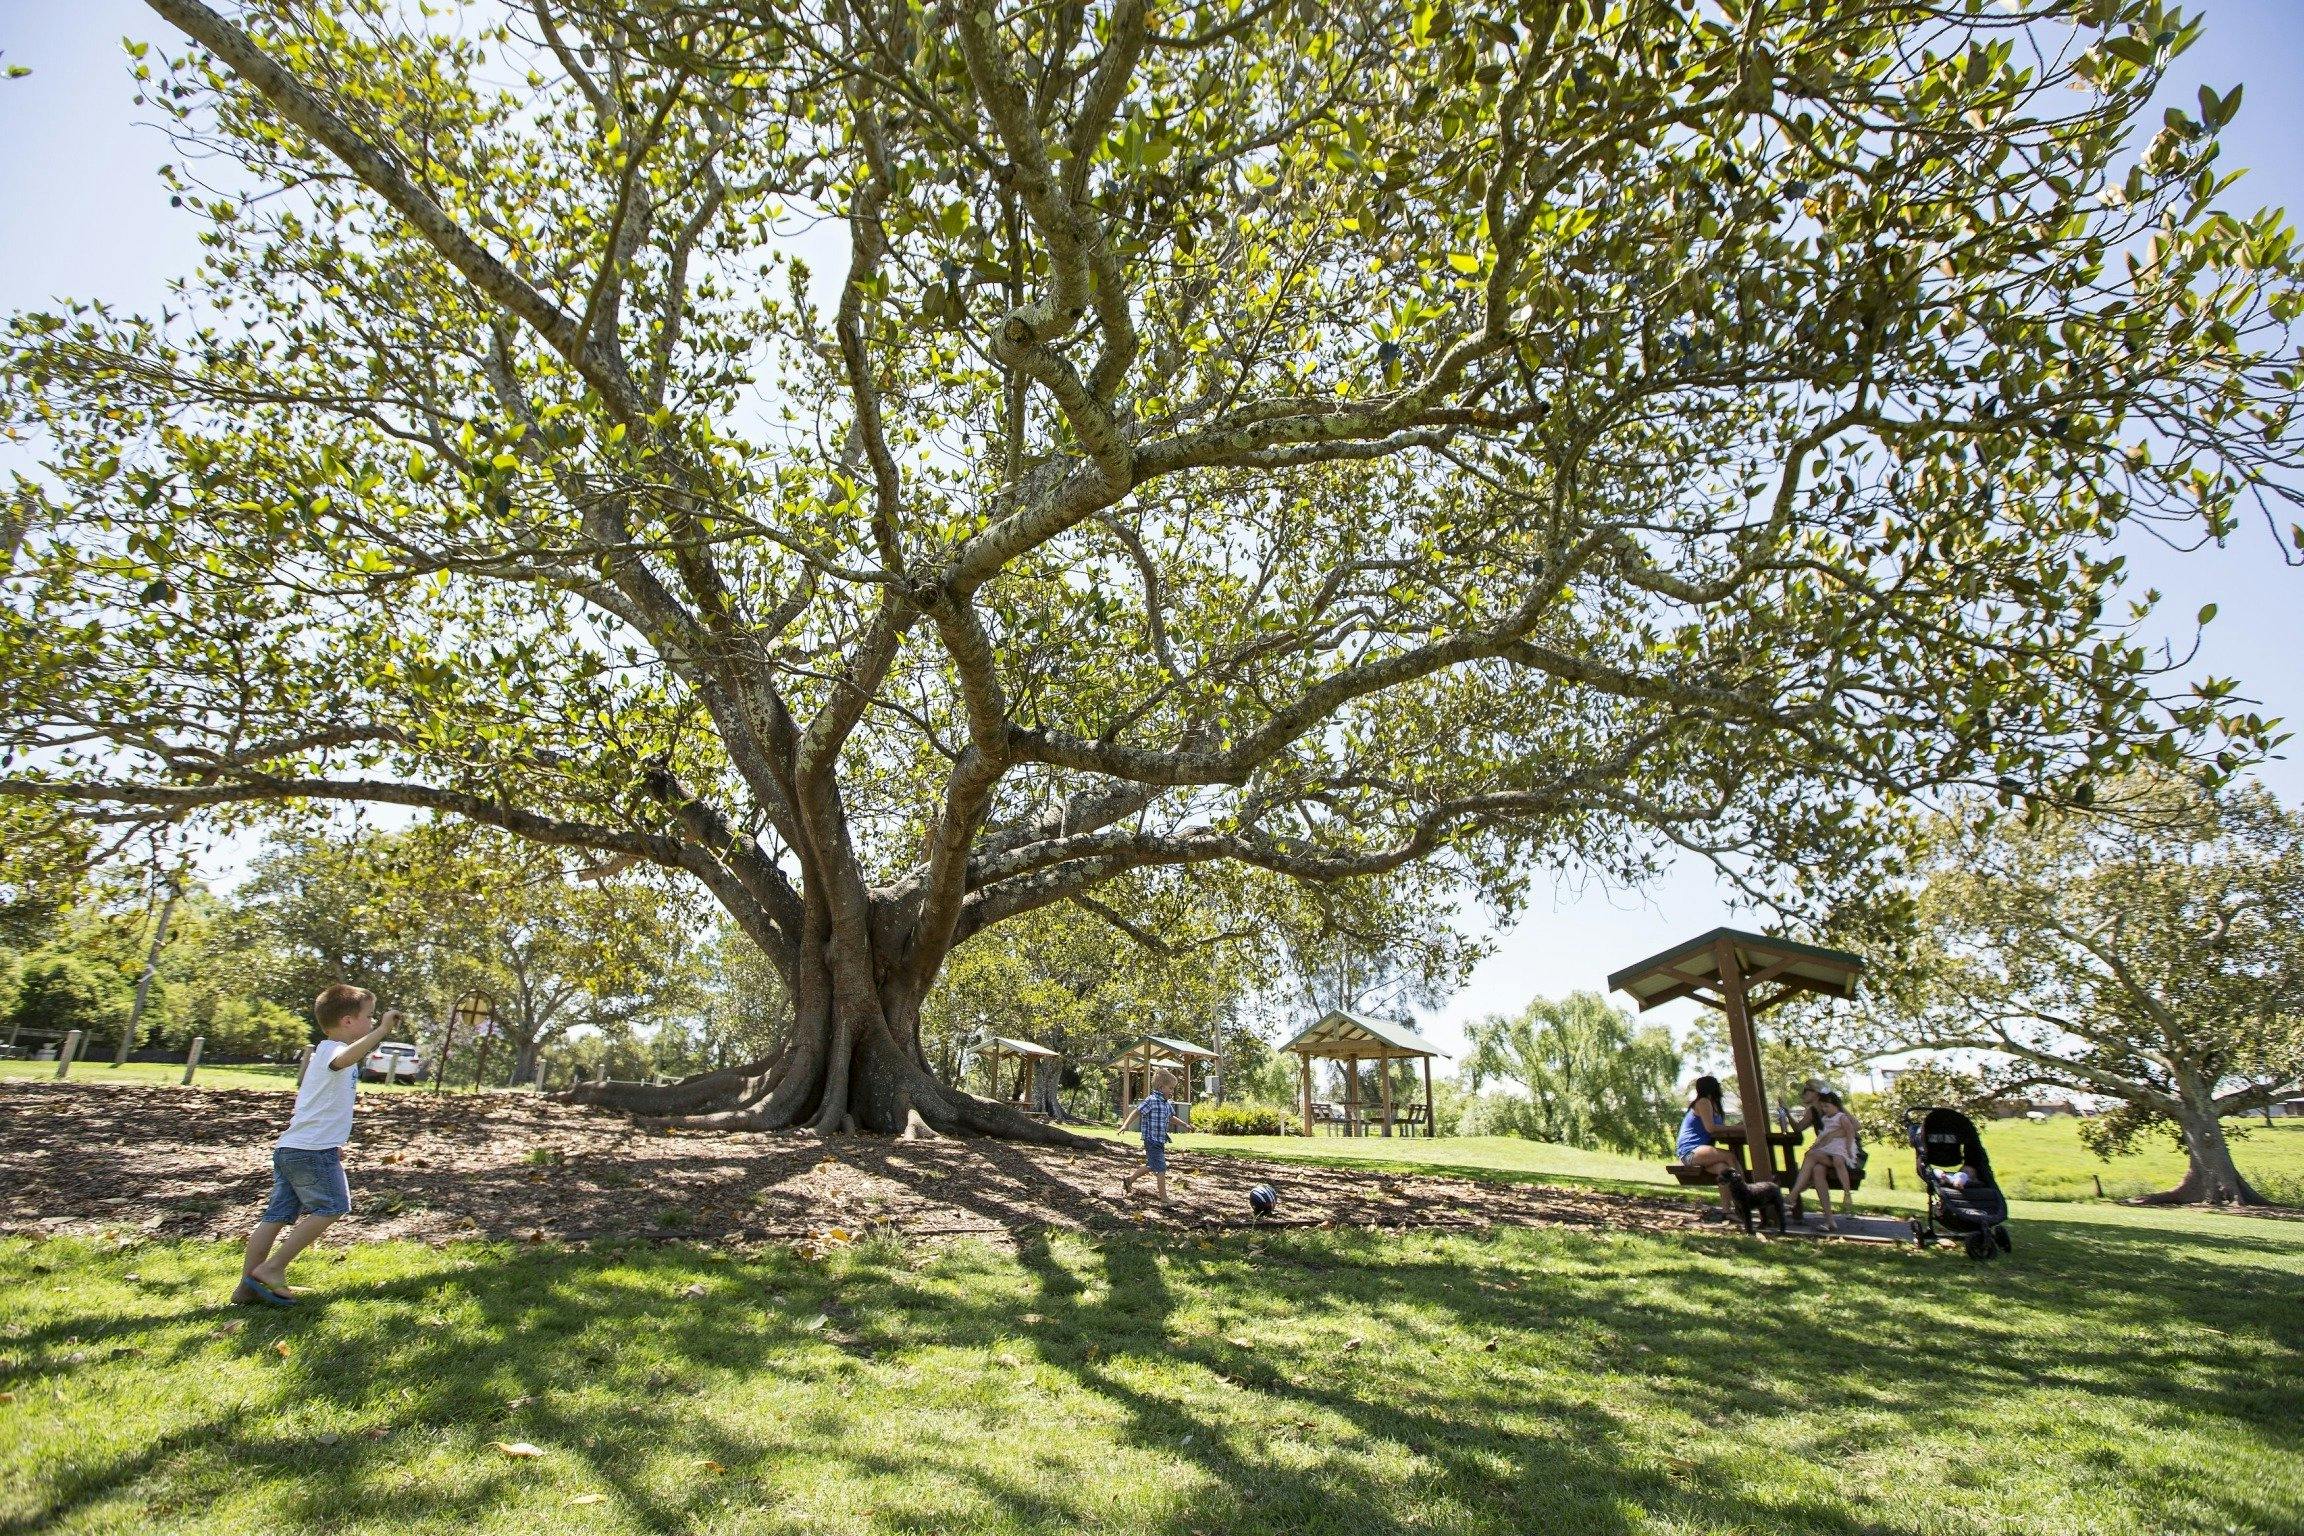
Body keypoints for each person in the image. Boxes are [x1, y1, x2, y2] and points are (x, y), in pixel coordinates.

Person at [234, 985, 396, 1306]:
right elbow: (345, 1059)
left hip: (295, 1147)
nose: (372, 1020)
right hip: (311, 1151)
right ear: (348, 1021)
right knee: (334, 1206)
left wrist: (334, 1142)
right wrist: (383, 1030)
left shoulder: (327, 1052)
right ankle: (273, 1268)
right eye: (369, 1016)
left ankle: (246, 1288)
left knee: (276, 1216)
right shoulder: (332, 1051)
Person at [1789, 1087, 1862, 1230]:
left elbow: (1855, 1127)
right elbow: (1798, 1128)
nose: (1803, 1093)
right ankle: (1829, 1221)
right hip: (1826, 1151)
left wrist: (1834, 1134)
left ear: (1816, 1093)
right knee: (1817, 1170)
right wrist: (1786, 1113)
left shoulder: (1836, 1107)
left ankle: (1794, 1194)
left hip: (1842, 1152)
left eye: (1806, 1090)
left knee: (1811, 1156)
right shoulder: (1814, 1112)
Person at [1119, 1067, 1191, 1203]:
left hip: (1160, 1140)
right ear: (1161, 1087)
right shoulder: (1151, 1100)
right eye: (1170, 1088)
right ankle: (1164, 1199)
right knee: (1161, 1167)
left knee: (1152, 1165)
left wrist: (1185, 1125)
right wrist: (1125, 1125)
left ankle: (1129, 1180)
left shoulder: (1166, 1103)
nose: (1172, 1091)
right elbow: (1137, 1112)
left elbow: (1171, 1117)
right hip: (1151, 1140)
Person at [1676, 1076, 1741, 1220]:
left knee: (1724, 1169)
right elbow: (1711, 1128)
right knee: (1730, 1156)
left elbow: (1717, 1128)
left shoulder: (1714, 1104)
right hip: (1690, 1151)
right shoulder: (1703, 1102)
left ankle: (1727, 1211)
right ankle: (1746, 1197)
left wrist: (1735, 1127)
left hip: (1703, 1151)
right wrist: (1738, 1129)